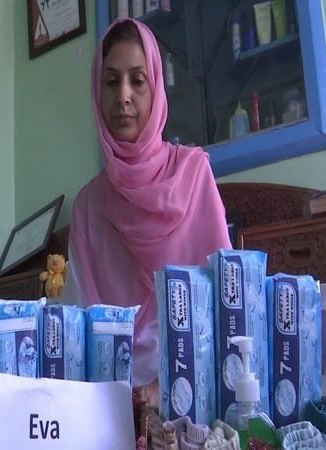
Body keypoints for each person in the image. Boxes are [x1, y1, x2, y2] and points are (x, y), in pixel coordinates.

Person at [62, 17, 232, 396]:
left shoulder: (192, 174)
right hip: (109, 393)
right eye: (111, 81)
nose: (123, 96)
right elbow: (76, 324)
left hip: (193, 385)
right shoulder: (88, 205)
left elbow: (225, 306)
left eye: (137, 81)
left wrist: (166, 387)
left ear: (156, 89)